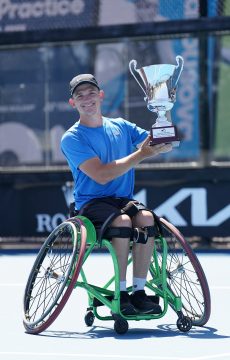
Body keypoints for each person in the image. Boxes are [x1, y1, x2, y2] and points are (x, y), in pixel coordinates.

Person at [61, 73, 172, 315]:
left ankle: (139, 293)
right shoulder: (72, 138)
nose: (86, 99)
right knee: (122, 221)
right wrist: (140, 155)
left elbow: (167, 144)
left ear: (100, 95)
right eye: (79, 96)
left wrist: (165, 107)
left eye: (91, 93)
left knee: (146, 219)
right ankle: (121, 295)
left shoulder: (121, 126)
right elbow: (100, 175)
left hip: (123, 200)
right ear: (73, 103)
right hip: (91, 205)